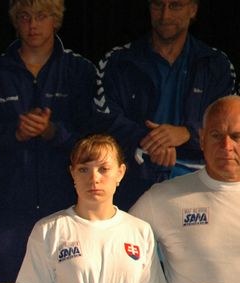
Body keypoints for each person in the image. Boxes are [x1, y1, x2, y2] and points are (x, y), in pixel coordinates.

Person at [0, 0, 97, 283]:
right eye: (25, 17)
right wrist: (14, 133)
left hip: (67, 209)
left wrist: (54, 132)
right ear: (15, 21)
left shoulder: (80, 71)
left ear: (56, 20)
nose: (33, 25)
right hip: (7, 216)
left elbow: (97, 143)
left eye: (41, 16)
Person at [0, 134, 170, 283]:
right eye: (83, 169)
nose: (94, 178)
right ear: (72, 174)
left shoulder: (140, 231)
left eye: (103, 169)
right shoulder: (49, 230)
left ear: (120, 172)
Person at [94, 0, 236, 210]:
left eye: (175, 6)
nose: (165, 15)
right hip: (131, 187)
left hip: (200, 190)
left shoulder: (216, 65)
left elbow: (231, 123)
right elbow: (102, 119)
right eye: (158, 5)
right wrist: (150, 140)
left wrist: (187, 133)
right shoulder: (118, 61)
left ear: (193, 10)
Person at [130, 95, 240, 283]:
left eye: (237, 136)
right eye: (216, 135)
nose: (226, 146)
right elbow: (116, 248)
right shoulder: (163, 199)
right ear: (202, 139)